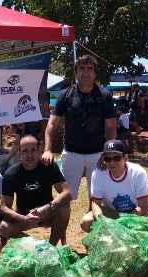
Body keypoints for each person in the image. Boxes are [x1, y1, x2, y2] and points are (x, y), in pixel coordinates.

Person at [42, 55, 117, 200]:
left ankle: (93, 221)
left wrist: (108, 152)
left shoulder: (105, 96)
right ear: (76, 72)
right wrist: (48, 150)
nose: (86, 72)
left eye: (90, 68)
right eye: (81, 68)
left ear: (95, 73)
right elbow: (52, 124)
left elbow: (111, 127)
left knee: (97, 196)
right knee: (66, 196)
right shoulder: (65, 95)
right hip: (71, 154)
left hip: (98, 154)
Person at [0, 135, 72, 245]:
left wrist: (48, 207)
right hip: (24, 215)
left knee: (64, 209)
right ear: (19, 154)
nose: (29, 155)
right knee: (4, 227)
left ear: (39, 151)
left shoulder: (49, 166)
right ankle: (33, 245)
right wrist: (23, 218)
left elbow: (67, 193)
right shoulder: (11, 174)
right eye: (25, 151)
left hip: (47, 212)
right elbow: (4, 208)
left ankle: (51, 247)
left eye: (33, 150)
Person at [80, 140, 148, 232]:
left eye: (116, 158)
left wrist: (124, 221)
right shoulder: (98, 174)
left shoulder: (138, 172)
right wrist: (101, 219)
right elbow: (95, 203)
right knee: (86, 221)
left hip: (137, 214)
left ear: (125, 158)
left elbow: (143, 207)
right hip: (113, 213)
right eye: (107, 159)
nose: (112, 162)